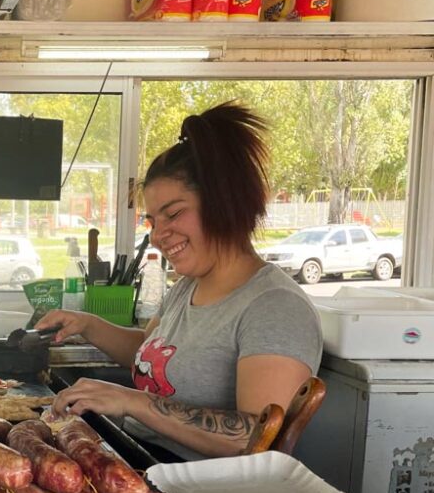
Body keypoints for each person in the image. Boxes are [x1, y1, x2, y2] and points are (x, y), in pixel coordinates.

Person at [36, 101, 323, 462]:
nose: (158, 235)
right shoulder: (189, 286)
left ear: (225, 204)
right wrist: (87, 324)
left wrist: (133, 402)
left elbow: (256, 435)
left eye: (173, 214)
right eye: (153, 220)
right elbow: (149, 353)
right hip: (144, 463)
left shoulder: (275, 308)